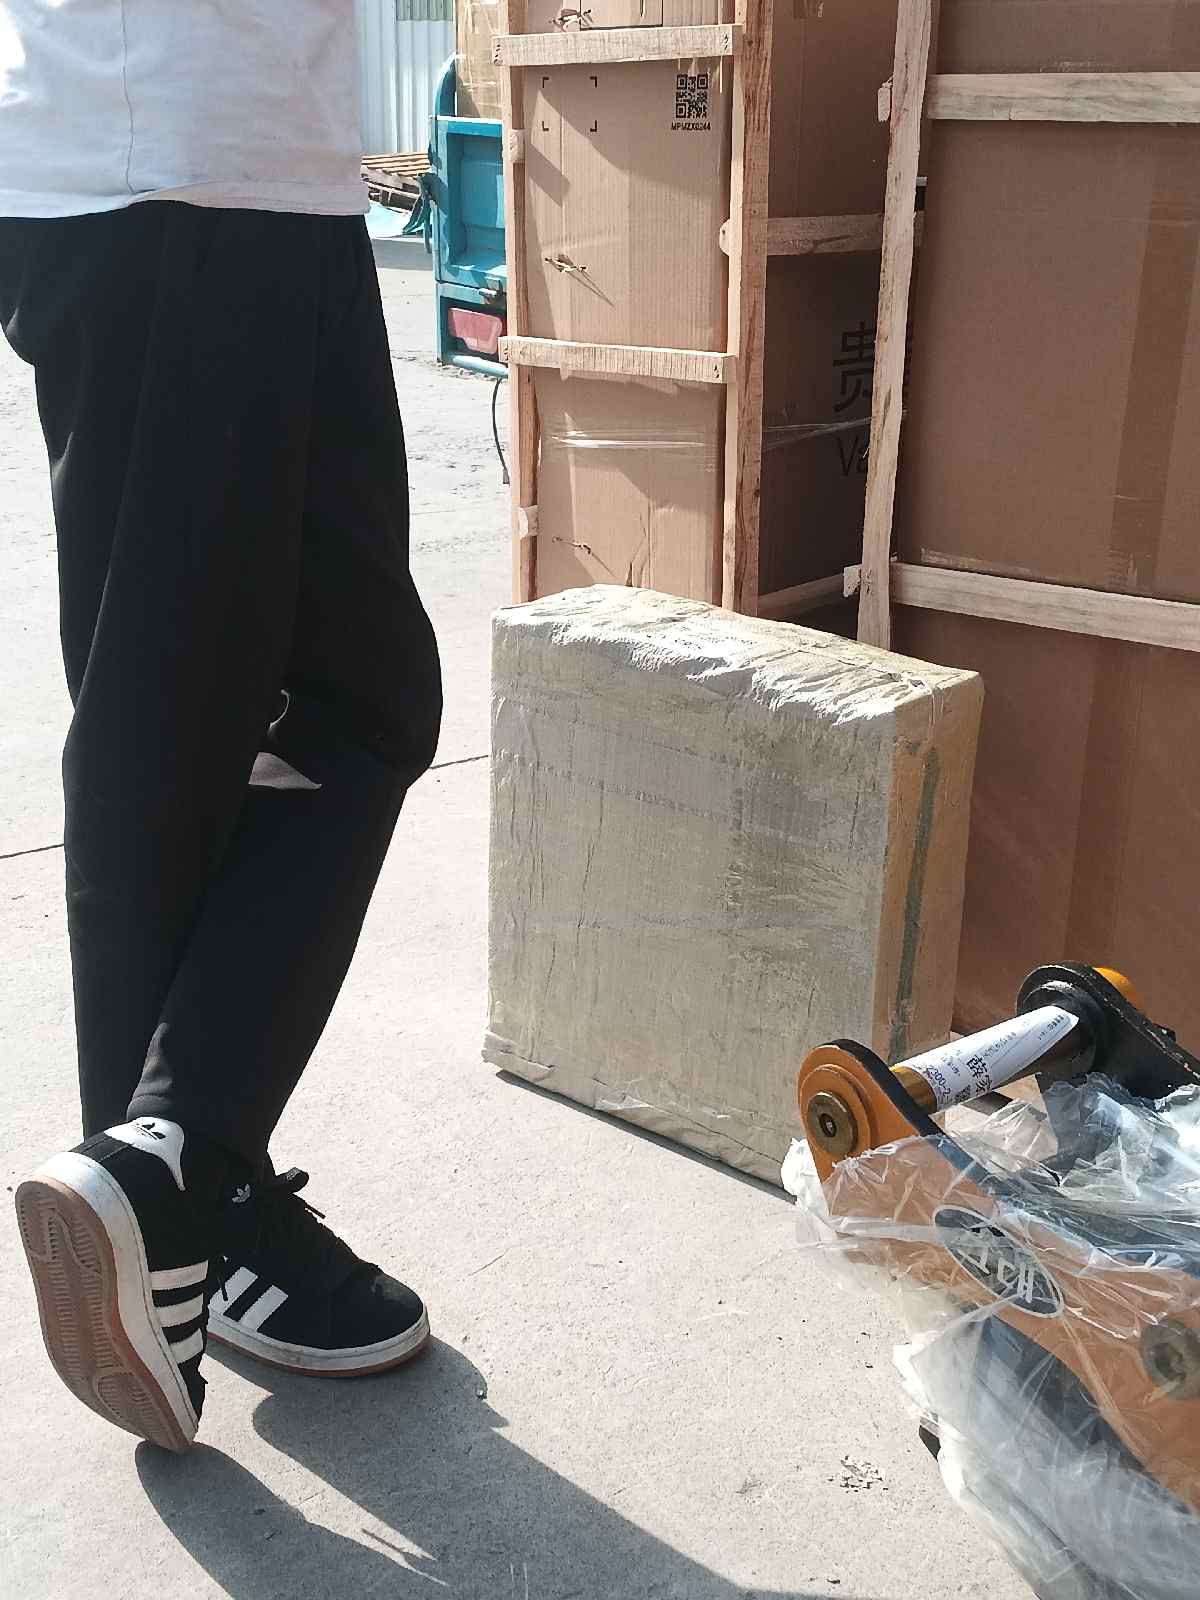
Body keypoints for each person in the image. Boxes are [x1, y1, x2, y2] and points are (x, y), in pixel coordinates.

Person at [1, 2, 443, 1450]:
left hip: (265, 168)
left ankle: (176, 1172)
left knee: (340, 698)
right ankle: (178, 1192)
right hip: (164, 161)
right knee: (183, 716)